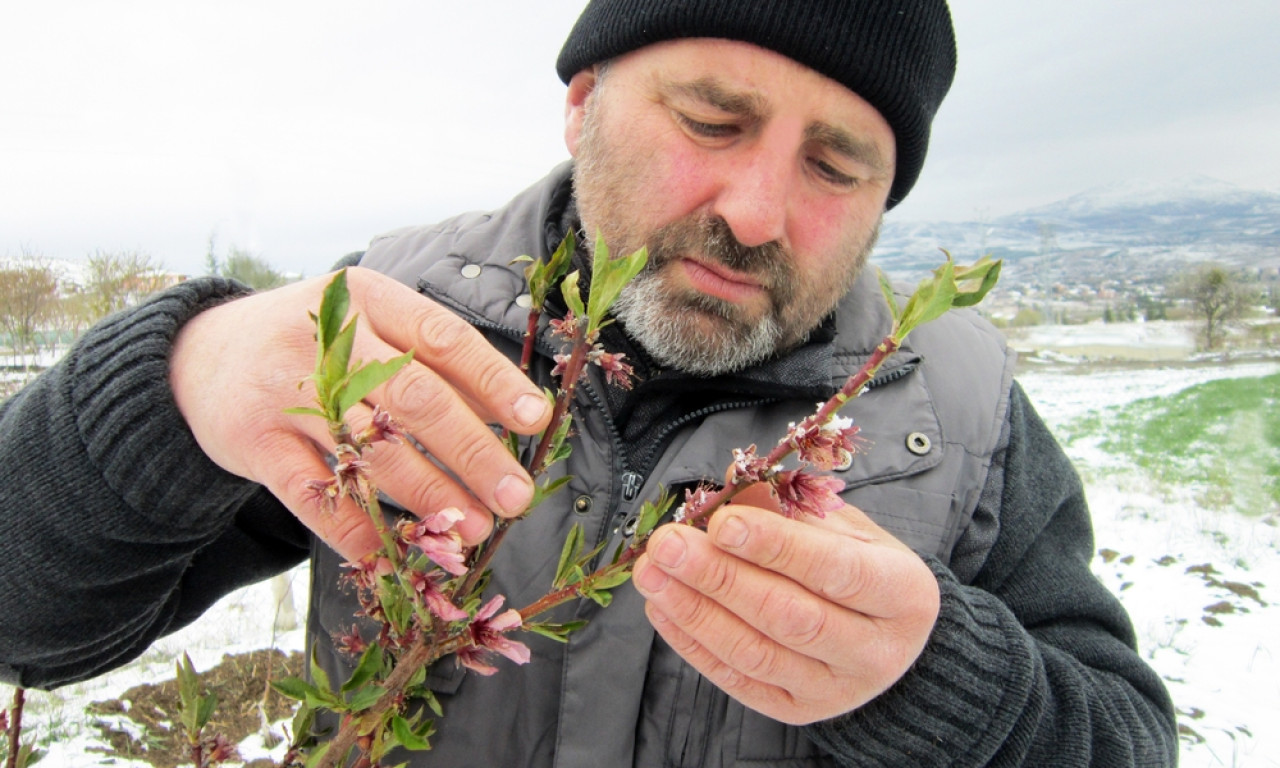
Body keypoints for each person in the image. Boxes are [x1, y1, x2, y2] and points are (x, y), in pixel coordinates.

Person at [0, 1, 1177, 765]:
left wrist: (943, 687)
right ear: (581, 104)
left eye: (834, 164)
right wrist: (172, 389)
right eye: (712, 120)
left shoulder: (959, 411)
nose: (753, 213)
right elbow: (23, 624)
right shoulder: (382, 330)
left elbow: (1123, 735)